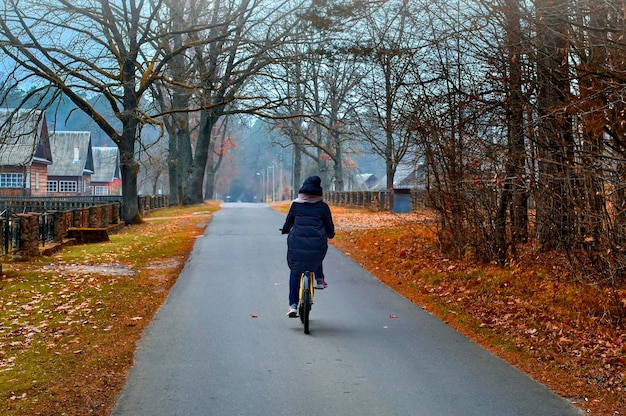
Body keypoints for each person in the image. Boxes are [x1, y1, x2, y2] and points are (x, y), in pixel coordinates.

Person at [280, 176, 335, 317]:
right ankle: (319, 279)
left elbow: (289, 222)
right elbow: (329, 227)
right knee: (316, 252)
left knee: (295, 271)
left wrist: (285, 230)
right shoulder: (323, 207)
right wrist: (330, 234)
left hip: (296, 243)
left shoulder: (296, 205)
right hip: (317, 245)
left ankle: (292, 305)